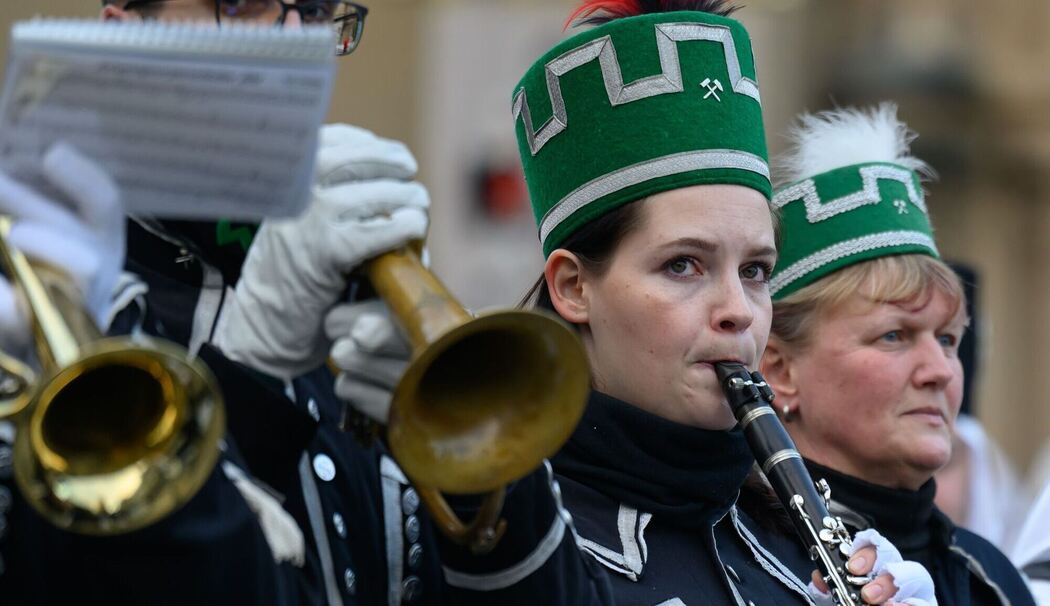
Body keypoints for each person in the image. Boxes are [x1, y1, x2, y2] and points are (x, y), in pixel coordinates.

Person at [0, 1, 610, 604]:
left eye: (316, 12)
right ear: (123, 42)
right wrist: (248, 382)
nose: (298, 44)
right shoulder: (43, 312)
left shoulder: (356, 287)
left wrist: (473, 451)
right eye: (241, 7)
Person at [345, 1, 939, 603]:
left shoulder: (799, 553)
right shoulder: (476, 531)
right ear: (573, 287)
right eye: (683, 265)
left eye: (757, 270)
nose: (738, 309)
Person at [757, 103, 1036, 606]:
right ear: (779, 369)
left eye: (948, 339)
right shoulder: (732, 559)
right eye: (894, 336)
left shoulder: (989, 581)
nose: (941, 372)